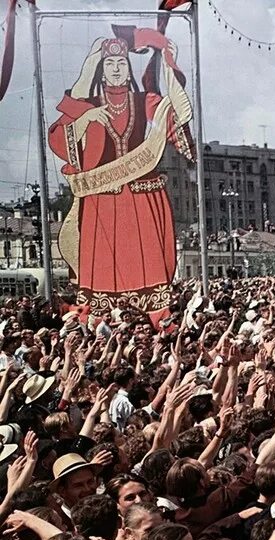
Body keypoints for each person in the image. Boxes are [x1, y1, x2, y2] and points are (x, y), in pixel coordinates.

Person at [47, 31, 194, 323]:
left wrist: (168, 63)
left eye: (122, 63)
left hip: (141, 197)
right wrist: (86, 115)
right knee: (103, 275)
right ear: (101, 69)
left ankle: (158, 324)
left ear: (130, 69)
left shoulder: (143, 100)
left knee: (147, 270)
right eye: (110, 63)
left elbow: (179, 112)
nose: (116, 68)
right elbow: (59, 136)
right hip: (102, 201)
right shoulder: (88, 105)